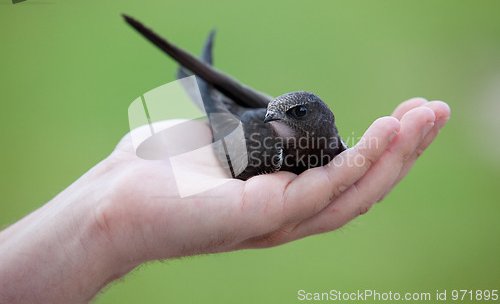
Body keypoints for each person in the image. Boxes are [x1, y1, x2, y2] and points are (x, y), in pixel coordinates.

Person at [0, 98, 450, 304]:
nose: (278, 121)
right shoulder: (266, 146)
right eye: (277, 115)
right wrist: (109, 218)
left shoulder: (324, 144)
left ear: (321, 120)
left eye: (292, 115)